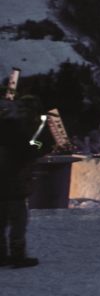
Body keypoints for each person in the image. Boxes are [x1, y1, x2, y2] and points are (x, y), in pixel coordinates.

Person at [0, 81, 44, 267]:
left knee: (1, 220)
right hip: (13, 182)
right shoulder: (17, 131)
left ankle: (1, 255)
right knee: (18, 219)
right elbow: (31, 150)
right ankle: (18, 254)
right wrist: (39, 145)